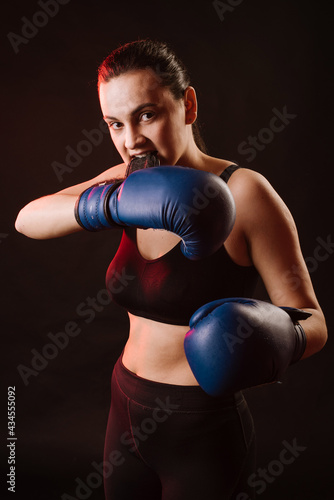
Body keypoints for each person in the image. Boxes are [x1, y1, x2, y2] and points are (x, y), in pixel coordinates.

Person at [15, 39, 327, 500]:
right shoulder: (127, 184)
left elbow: (314, 322)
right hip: (123, 411)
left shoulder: (247, 194)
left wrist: (273, 334)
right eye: (114, 124)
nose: (131, 141)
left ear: (188, 105)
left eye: (146, 114)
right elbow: (27, 219)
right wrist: (109, 202)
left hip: (201, 430)